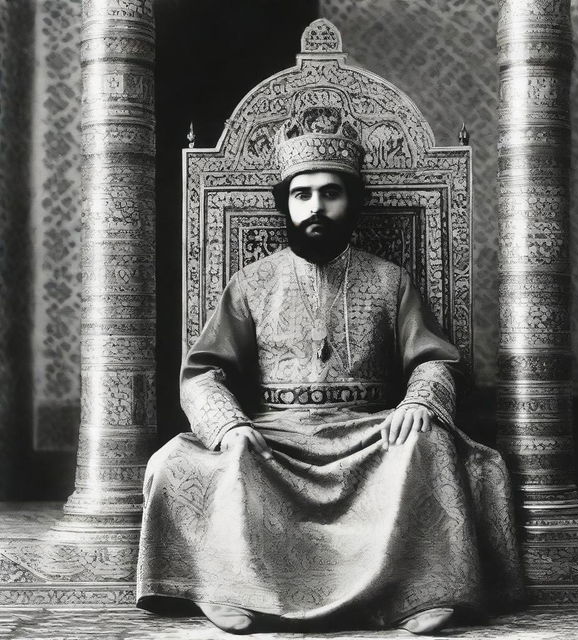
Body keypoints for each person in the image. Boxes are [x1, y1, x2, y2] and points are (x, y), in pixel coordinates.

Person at [136, 107, 524, 634]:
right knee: (174, 465)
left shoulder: (392, 281)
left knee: (428, 446)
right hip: (273, 436)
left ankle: (422, 592)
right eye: (302, 194)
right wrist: (229, 425)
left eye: (330, 192)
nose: (315, 206)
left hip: (368, 435)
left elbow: (434, 358)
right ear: (287, 203)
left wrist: (417, 403)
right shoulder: (250, 283)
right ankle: (223, 586)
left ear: (352, 200)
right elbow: (203, 372)